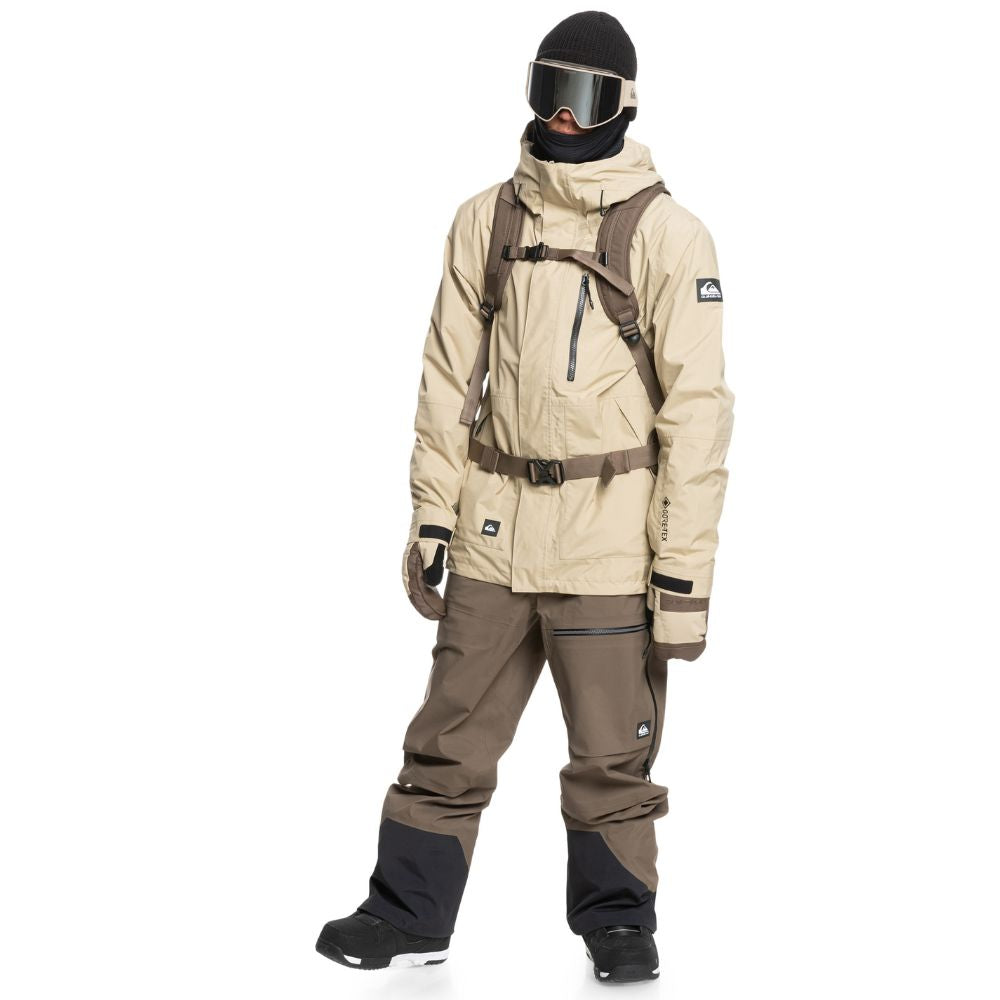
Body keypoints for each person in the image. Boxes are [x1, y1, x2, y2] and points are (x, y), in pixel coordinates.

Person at [315, 10, 734, 984]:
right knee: (445, 739)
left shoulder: (670, 236)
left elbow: (699, 418)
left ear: (624, 105)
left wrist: (682, 579)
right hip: (494, 531)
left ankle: (618, 924)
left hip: (609, 542)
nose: (562, 115)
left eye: (583, 96)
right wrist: (432, 516)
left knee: (609, 757)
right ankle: (406, 913)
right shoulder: (486, 220)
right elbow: (445, 383)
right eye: (549, 89)